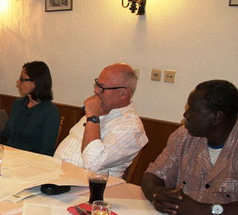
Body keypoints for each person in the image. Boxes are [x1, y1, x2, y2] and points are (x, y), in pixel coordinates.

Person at [141, 80, 238, 215]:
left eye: (193, 109)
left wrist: (202, 211)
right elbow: (153, 174)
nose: (185, 115)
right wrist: (156, 194)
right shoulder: (183, 136)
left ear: (217, 117)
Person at [53, 63, 148, 177]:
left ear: (123, 93)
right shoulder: (99, 108)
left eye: (102, 88)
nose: (96, 91)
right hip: (58, 176)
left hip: (89, 187)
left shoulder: (131, 127)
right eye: (97, 84)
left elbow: (92, 163)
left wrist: (93, 118)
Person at [0, 61, 61, 156]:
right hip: (8, 156)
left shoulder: (50, 112)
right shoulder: (18, 104)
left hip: (29, 162)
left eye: (22, 79)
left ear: (35, 82)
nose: (18, 82)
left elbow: (46, 150)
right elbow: (5, 134)